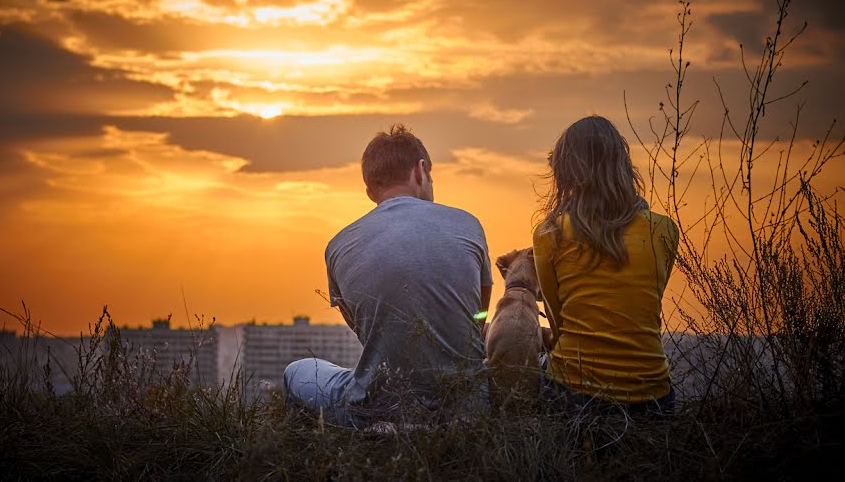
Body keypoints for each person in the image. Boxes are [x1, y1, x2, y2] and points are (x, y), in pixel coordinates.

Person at [284, 124, 493, 428]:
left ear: (370, 191)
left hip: (378, 408)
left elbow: (364, 329)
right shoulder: (468, 224)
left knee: (298, 371)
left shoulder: (338, 245)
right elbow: (480, 315)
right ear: (421, 171)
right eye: (431, 177)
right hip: (468, 405)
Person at [497, 115, 679, 414]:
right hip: (653, 397)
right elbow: (647, 305)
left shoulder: (550, 233)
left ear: (565, 172)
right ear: (623, 165)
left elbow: (559, 324)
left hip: (574, 395)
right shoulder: (664, 230)